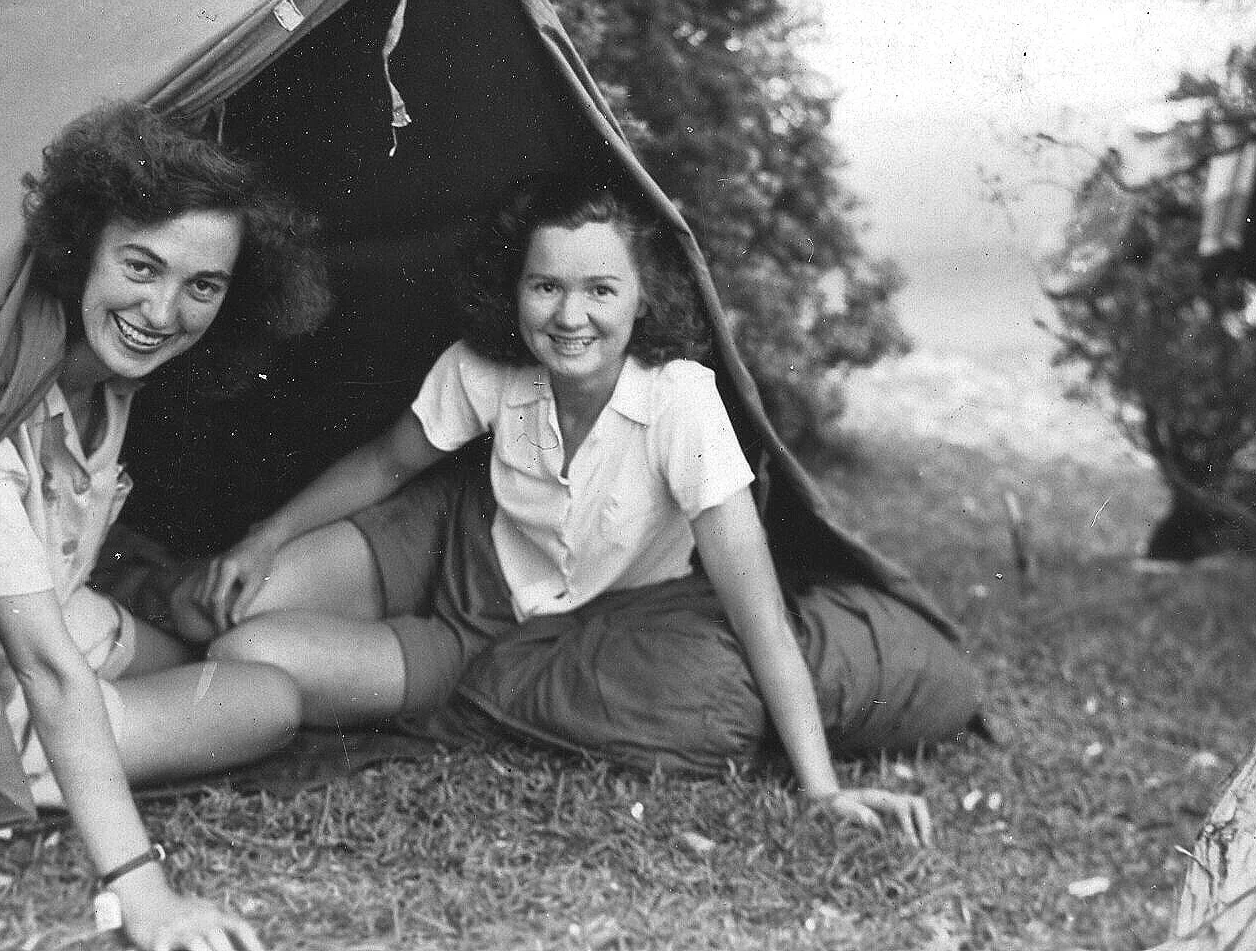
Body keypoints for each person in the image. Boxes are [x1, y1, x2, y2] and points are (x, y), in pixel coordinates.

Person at [181, 172, 933, 844]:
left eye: (601, 289)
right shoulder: (489, 367)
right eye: (545, 286)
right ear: (516, 289)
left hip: (497, 639)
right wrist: (265, 536)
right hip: (448, 537)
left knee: (247, 654)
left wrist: (822, 789)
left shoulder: (680, 402)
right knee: (216, 606)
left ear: (645, 298)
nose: (570, 316)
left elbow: (759, 611)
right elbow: (385, 463)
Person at [0, 100, 329, 951]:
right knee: (268, 699)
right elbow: (47, 671)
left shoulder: (109, 383)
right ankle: (75, 761)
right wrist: (143, 894)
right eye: (141, 267)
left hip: (54, 615)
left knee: (202, 655)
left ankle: (110, 725)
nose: (162, 312)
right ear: (82, 249)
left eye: (203, 286)